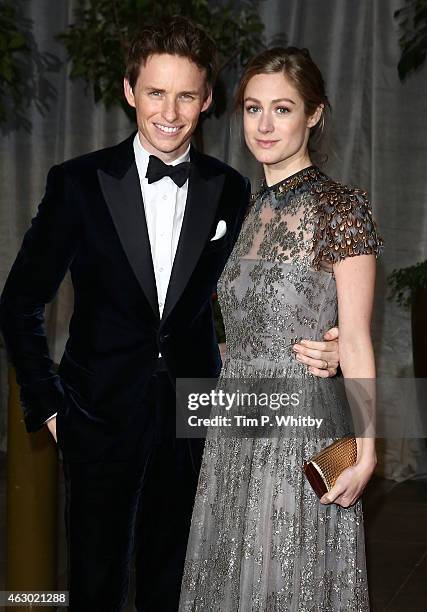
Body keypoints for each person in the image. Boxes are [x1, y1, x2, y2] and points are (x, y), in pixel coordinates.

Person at [0, 19, 340, 612]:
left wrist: (331, 343)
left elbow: (268, 291)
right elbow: (18, 303)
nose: (170, 112)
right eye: (156, 92)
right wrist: (50, 408)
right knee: (94, 584)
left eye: (187, 95)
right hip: (96, 415)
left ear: (207, 100)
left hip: (196, 421)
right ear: (131, 91)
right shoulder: (79, 183)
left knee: (178, 584)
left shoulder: (233, 190)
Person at [179, 46, 382, 611]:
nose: (264, 125)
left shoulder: (341, 208)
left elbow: (359, 337)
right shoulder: (240, 209)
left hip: (300, 421)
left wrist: (365, 450)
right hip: (234, 417)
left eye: (283, 109)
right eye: (252, 108)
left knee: (284, 576)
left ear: (314, 114)